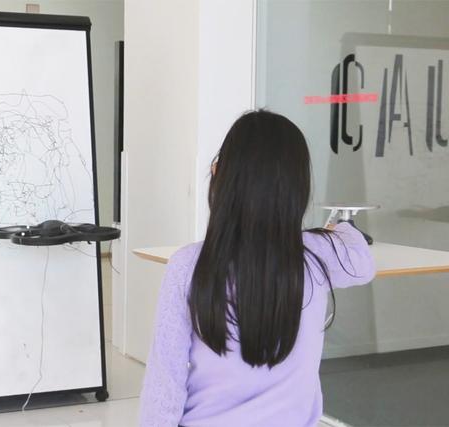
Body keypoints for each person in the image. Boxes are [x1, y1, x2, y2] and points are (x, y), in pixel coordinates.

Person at [139, 110, 376, 427]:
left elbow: (164, 383)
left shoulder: (188, 265)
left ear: (223, 179)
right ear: (298, 188)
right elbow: (362, 263)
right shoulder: (317, 254)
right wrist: (339, 229)